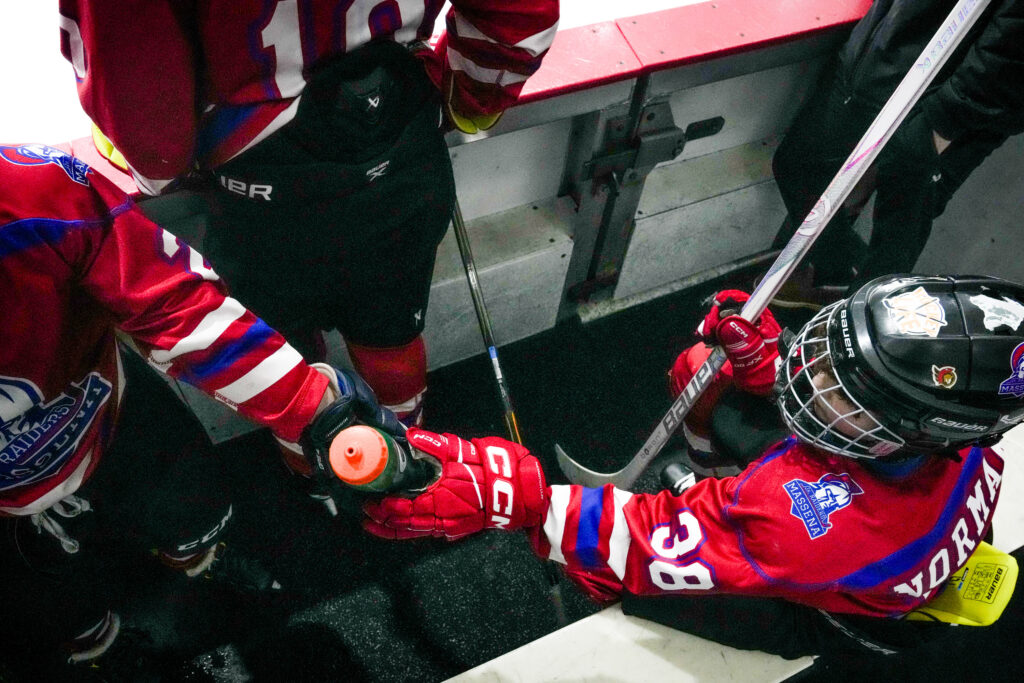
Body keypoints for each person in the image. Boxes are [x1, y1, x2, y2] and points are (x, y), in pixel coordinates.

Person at [359, 274, 1024, 658]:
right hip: (876, 541)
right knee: (697, 371)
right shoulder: (967, 431)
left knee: (619, 579)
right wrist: (777, 363)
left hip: (826, 608)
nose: (805, 372)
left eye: (837, 386)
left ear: (916, 430)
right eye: (824, 354)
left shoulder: (806, 526)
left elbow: (640, 539)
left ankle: (709, 508)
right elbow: (859, 430)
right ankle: (711, 478)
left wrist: (525, 500)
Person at [56, 1, 559, 441]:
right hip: (399, 141)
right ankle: (406, 451)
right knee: (391, 332)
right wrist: (464, 105)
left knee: (287, 359)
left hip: (263, 187)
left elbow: (147, 132)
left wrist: (163, 168)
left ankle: (325, 473)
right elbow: (518, 21)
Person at [0, 142, 403, 674]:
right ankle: (99, 647)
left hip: (106, 412)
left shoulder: (29, 193)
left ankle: (195, 563)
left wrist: (314, 409)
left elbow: (173, 303)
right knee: (49, 611)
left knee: (195, 510)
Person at [770, 0, 1024, 310]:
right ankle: (838, 283)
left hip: (949, 97)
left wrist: (945, 116)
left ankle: (854, 333)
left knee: (897, 231)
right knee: (799, 162)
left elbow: (1013, 38)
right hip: (882, 54)